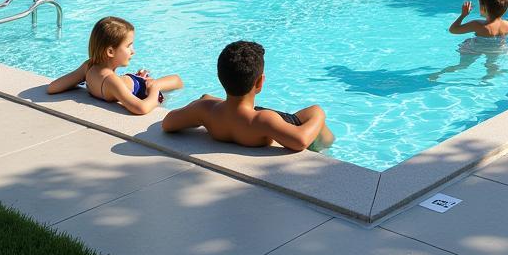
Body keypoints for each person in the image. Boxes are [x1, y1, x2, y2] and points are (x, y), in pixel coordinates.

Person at [161, 40, 334, 152]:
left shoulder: (205, 112)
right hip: (280, 126)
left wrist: (204, 104)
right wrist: (319, 113)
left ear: (220, 77)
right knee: (315, 116)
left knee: (206, 97)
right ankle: (324, 147)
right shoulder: (264, 120)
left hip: (229, 113)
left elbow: (168, 123)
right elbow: (301, 140)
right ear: (260, 82)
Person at [47, 16, 183, 115]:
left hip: (132, 81)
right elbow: (141, 108)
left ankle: (138, 77)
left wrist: (81, 80)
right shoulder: (111, 81)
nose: (133, 51)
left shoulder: (88, 67)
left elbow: (53, 87)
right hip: (144, 89)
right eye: (129, 46)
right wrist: (154, 89)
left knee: (173, 80)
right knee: (177, 80)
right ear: (110, 51)